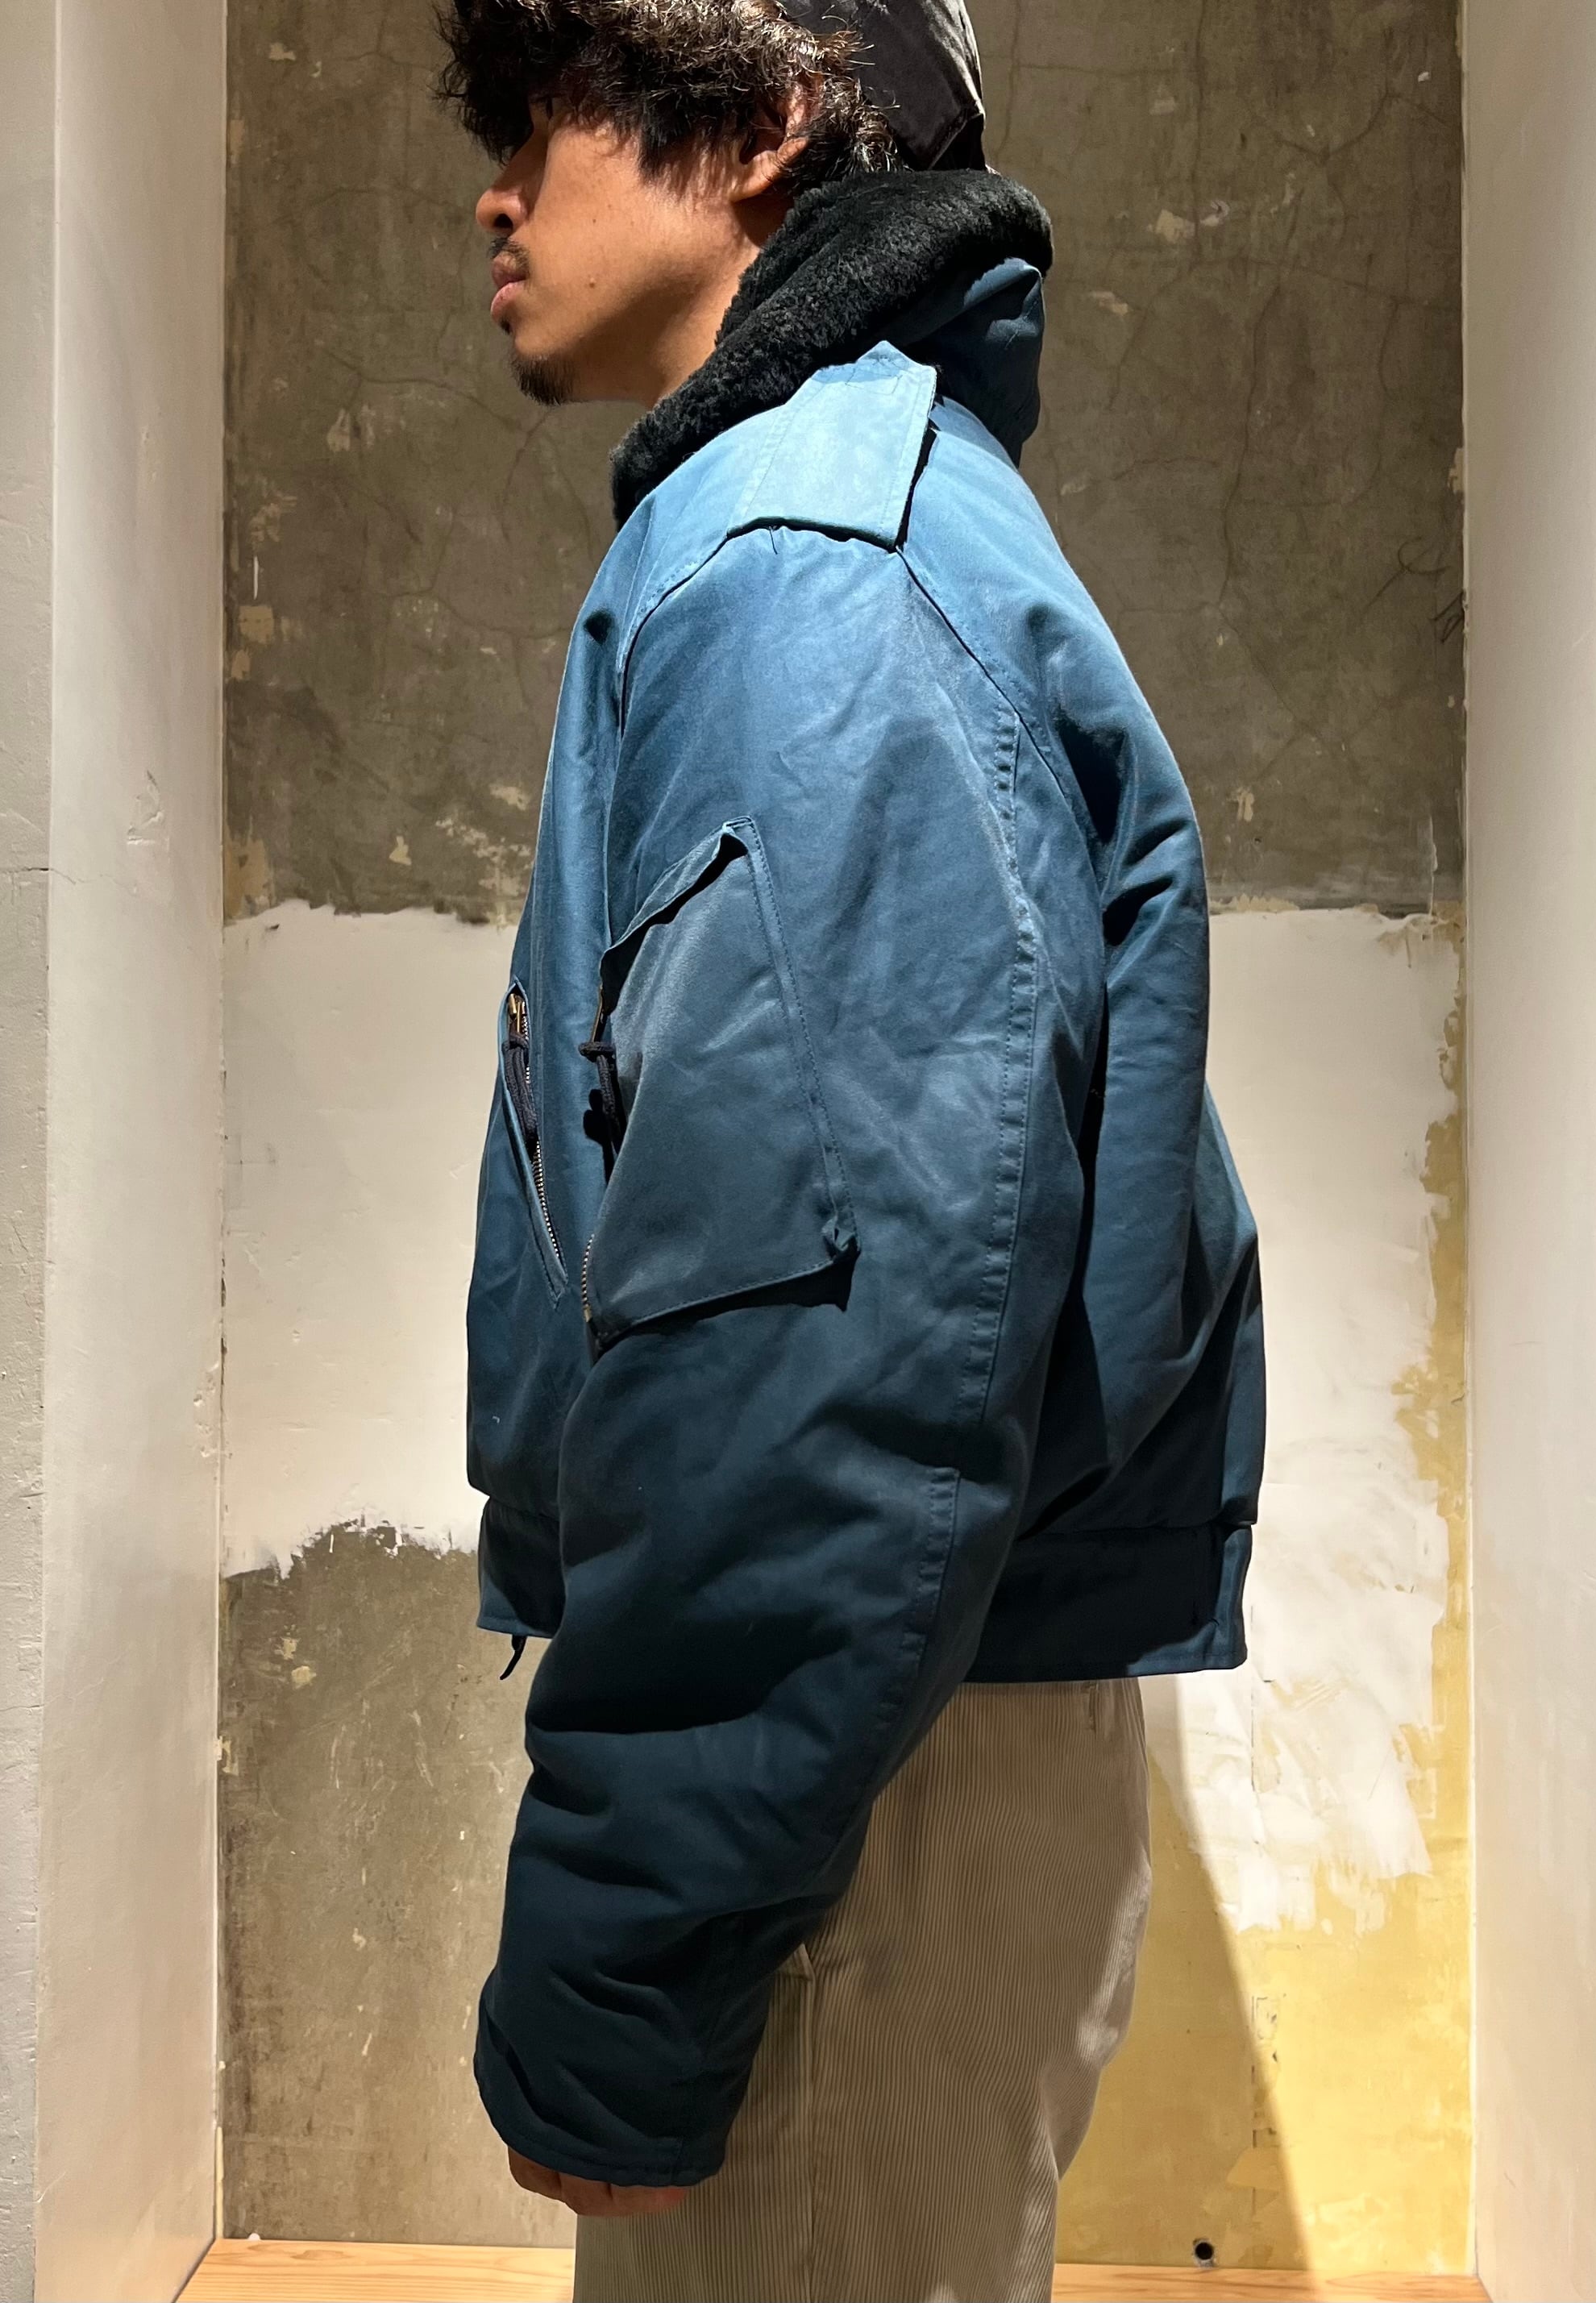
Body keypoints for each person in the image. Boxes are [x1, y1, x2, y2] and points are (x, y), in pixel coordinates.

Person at [443, 4, 1265, 2297]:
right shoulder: (845, 511)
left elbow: (822, 1363)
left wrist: (630, 1952)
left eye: (543, 121)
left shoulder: (804, 556)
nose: (495, 195)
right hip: (883, 1733)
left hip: (853, 1787)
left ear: (765, 123)